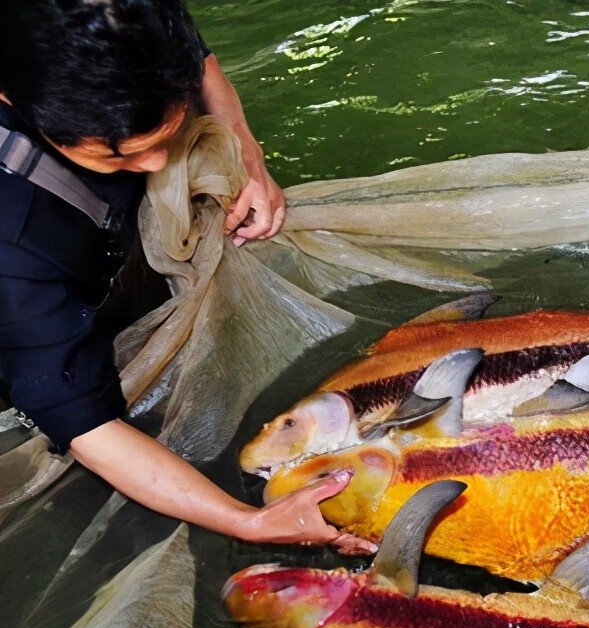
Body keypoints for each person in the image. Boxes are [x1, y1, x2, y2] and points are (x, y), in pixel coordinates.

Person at [0, 0, 370, 553]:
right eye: (123, 153)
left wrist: (247, 151)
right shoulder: (12, 238)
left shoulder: (122, 16)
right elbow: (87, 427)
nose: (158, 166)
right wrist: (246, 520)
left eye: (167, 135)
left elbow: (196, 61)